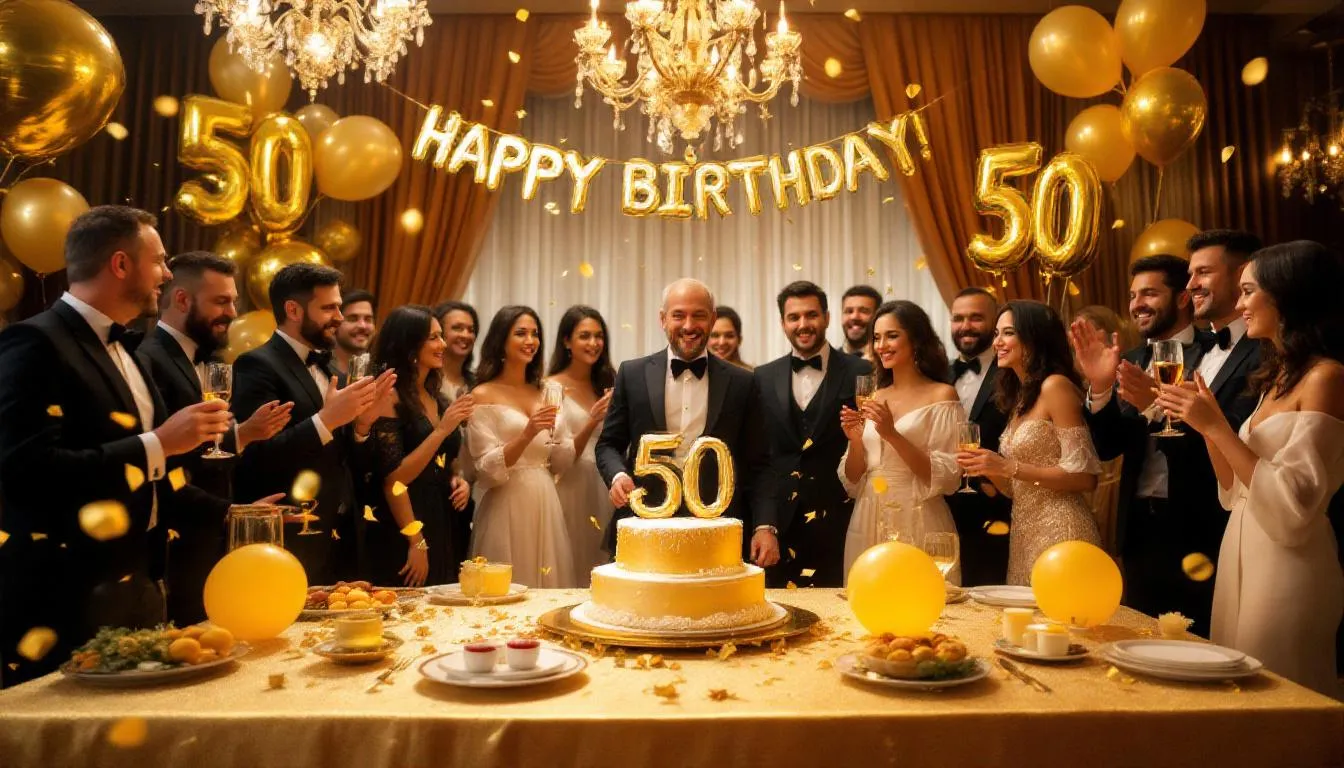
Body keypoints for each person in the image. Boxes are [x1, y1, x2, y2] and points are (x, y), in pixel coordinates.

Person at [0, 206, 248, 685]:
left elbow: (154, 480)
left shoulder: (130, 350)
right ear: (119, 264)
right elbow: (26, 472)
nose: (167, 273)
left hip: (141, 584)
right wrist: (158, 442)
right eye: (158, 260)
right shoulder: (33, 343)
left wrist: (235, 514)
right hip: (63, 597)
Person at [1154, 241, 1344, 698]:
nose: (1239, 304)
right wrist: (1206, 425)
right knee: (1234, 688)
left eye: (1248, 291)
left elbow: (1295, 508)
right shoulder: (1278, 377)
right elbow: (1233, 488)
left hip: (1289, 562)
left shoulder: (1327, 377)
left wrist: (1217, 428)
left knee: (1278, 694)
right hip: (1242, 545)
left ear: (1286, 294)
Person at [139, 251, 292, 623]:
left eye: (234, 301)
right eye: (221, 301)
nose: (232, 312)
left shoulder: (205, 360)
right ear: (181, 300)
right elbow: (167, 466)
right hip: (178, 547)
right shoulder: (151, 358)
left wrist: (243, 435)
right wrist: (231, 513)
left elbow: (205, 452)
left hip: (209, 543)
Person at [232, 263, 396, 585]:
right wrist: (326, 420)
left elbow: (346, 459)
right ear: (293, 309)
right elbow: (257, 455)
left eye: (338, 305)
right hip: (294, 532)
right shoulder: (257, 365)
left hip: (343, 533)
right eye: (329, 307)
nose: (338, 316)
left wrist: (362, 427)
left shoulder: (331, 366)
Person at [596, 279, 771, 564]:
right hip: (645, 524)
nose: (689, 325)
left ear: (713, 319)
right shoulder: (632, 373)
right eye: (678, 315)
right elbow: (608, 444)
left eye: (699, 315)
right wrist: (617, 476)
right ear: (662, 319)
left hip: (718, 529)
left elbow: (761, 464)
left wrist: (765, 526)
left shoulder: (743, 382)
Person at [1071, 254, 1205, 627]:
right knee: (1143, 631)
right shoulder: (1127, 359)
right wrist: (1099, 388)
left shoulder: (1210, 353)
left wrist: (1157, 406)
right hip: (1140, 525)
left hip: (1197, 521)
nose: (1137, 305)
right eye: (1133, 296)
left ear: (1182, 297)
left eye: (1149, 293)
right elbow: (1108, 446)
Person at [957, 301, 1101, 585]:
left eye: (1007, 333)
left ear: (1034, 336)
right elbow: (1015, 490)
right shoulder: (1022, 397)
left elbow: (1084, 477)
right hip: (1024, 533)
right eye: (997, 333)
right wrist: (989, 469)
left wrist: (1008, 466)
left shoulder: (1055, 386)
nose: (997, 341)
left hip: (1062, 531)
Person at [754, 282, 871, 587]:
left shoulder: (864, 371)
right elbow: (759, 457)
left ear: (827, 318)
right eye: (794, 317)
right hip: (779, 523)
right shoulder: (762, 377)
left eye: (811, 315)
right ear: (782, 323)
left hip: (843, 518)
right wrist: (763, 523)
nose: (803, 324)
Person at [839, 301, 964, 582]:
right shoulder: (875, 396)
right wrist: (856, 441)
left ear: (916, 339)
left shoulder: (942, 395)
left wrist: (892, 434)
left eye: (892, 335)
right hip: (868, 514)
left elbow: (946, 477)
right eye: (877, 337)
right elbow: (852, 478)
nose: (881, 345)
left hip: (918, 514)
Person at [467, 306, 577, 587]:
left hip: (544, 495)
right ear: (501, 340)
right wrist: (527, 433)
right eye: (521, 333)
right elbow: (486, 471)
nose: (531, 341)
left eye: (535, 334)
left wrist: (563, 438)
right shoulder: (482, 394)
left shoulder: (546, 390)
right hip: (506, 502)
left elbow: (562, 461)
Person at [367, 306, 474, 587]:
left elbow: (443, 459)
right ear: (409, 344)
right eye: (433, 338)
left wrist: (458, 479)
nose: (443, 345)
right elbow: (394, 479)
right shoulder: (388, 396)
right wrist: (416, 541)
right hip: (406, 522)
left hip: (441, 516)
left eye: (441, 336)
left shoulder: (435, 397)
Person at [944, 287, 1011, 586]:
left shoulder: (1012, 373)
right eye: (958, 318)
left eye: (975, 318)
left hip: (997, 507)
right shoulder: (938, 374)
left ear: (995, 323)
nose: (965, 326)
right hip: (945, 507)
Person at [547, 306, 616, 582]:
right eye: (584, 336)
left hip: (607, 484)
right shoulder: (550, 387)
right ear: (566, 341)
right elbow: (555, 457)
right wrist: (591, 421)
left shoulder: (610, 382)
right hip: (571, 485)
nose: (593, 343)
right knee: (574, 562)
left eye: (598, 336)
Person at [433, 300, 480, 566]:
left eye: (471, 329)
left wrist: (469, 482)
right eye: (457, 328)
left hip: (472, 488)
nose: (465, 335)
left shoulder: (478, 383)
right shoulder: (427, 384)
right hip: (439, 485)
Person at [331, 289, 376, 379]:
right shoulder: (317, 368)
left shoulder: (378, 370)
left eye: (368, 319)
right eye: (353, 319)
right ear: (334, 324)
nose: (362, 326)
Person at [839, 285, 881, 364]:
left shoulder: (888, 362)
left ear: (878, 316)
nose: (854, 317)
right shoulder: (828, 361)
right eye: (849, 311)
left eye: (864, 311)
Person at [709, 306, 752, 370]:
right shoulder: (695, 375)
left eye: (729, 336)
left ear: (739, 339)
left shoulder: (752, 376)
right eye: (715, 335)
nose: (722, 342)